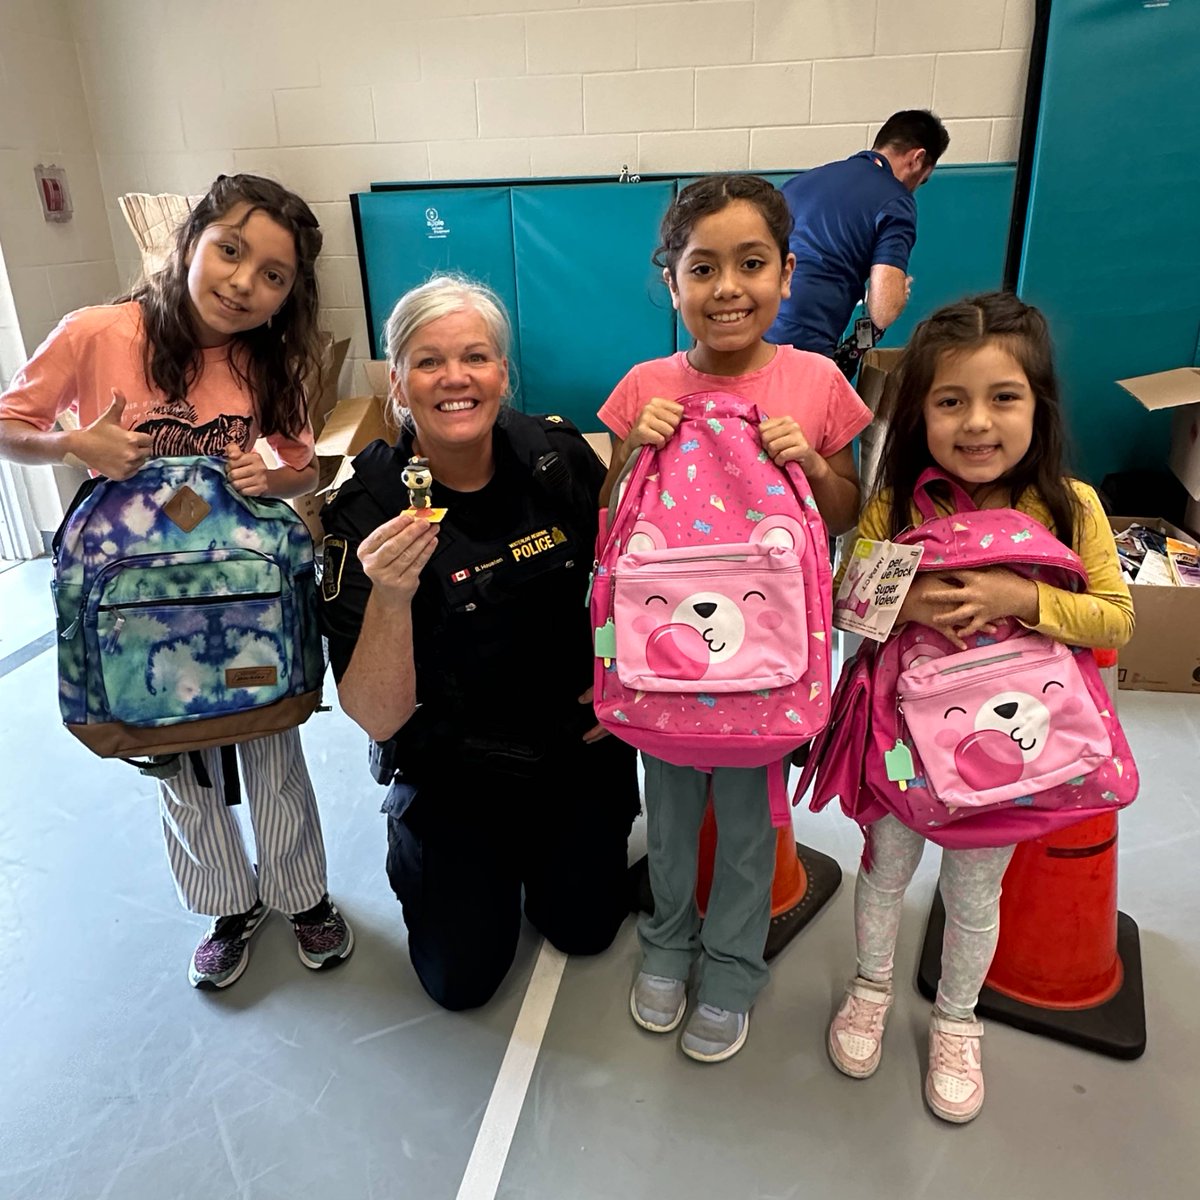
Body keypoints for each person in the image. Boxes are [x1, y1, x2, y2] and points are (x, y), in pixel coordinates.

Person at [0, 173, 354, 989]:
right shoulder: (98, 332)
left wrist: (272, 483)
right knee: (175, 752)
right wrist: (72, 448)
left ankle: (302, 897)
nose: (243, 283)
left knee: (271, 742)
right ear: (191, 239)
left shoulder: (269, 362)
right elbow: (12, 425)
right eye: (230, 250)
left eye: (273, 274)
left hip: (240, 597)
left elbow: (304, 471)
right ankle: (230, 909)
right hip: (138, 608)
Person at [823, 291, 1134, 1122]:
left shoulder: (1072, 506)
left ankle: (959, 1022)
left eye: (1004, 397)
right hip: (901, 741)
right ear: (920, 410)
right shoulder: (898, 505)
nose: (977, 424)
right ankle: (870, 988)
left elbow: (1116, 617)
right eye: (950, 400)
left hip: (1008, 759)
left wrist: (1021, 597)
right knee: (885, 872)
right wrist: (907, 605)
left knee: (975, 893)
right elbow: (848, 605)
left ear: (1041, 405)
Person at [598, 174, 872, 1062]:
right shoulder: (643, 384)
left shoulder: (817, 380)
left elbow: (845, 512)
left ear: (787, 274)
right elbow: (611, 521)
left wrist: (817, 468)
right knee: (670, 827)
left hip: (764, 662)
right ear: (670, 280)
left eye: (751, 264)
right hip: (665, 662)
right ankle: (667, 947)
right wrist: (633, 449)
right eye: (702, 268)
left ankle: (732, 968)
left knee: (753, 833)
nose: (727, 288)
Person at [317, 275, 640, 1012]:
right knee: (460, 984)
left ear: (503, 372)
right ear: (397, 381)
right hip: (454, 768)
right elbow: (375, 715)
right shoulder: (363, 508)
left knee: (585, 931)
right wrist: (393, 596)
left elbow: (628, 583)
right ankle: (439, 858)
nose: (455, 378)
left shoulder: (558, 461)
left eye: (476, 357)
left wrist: (622, 685)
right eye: (429, 362)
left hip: (572, 746)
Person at [767, 110, 950, 373]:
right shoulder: (897, 200)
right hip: (805, 340)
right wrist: (896, 291)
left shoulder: (802, 182)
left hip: (751, 327)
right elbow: (883, 311)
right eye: (924, 178)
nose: (917, 186)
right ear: (917, 158)